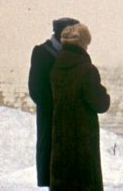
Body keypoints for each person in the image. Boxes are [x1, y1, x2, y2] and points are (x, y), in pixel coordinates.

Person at [49, 22, 110, 191]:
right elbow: (101, 104)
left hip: (61, 135)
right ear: (83, 43)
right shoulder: (87, 70)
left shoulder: (56, 69)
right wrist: (103, 91)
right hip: (83, 137)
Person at [28, 16, 78, 187]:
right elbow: (36, 89)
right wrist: (56, 105)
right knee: (50, 157)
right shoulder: (42, 52)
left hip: (69, 117)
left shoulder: (72, 53)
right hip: (50, 115)